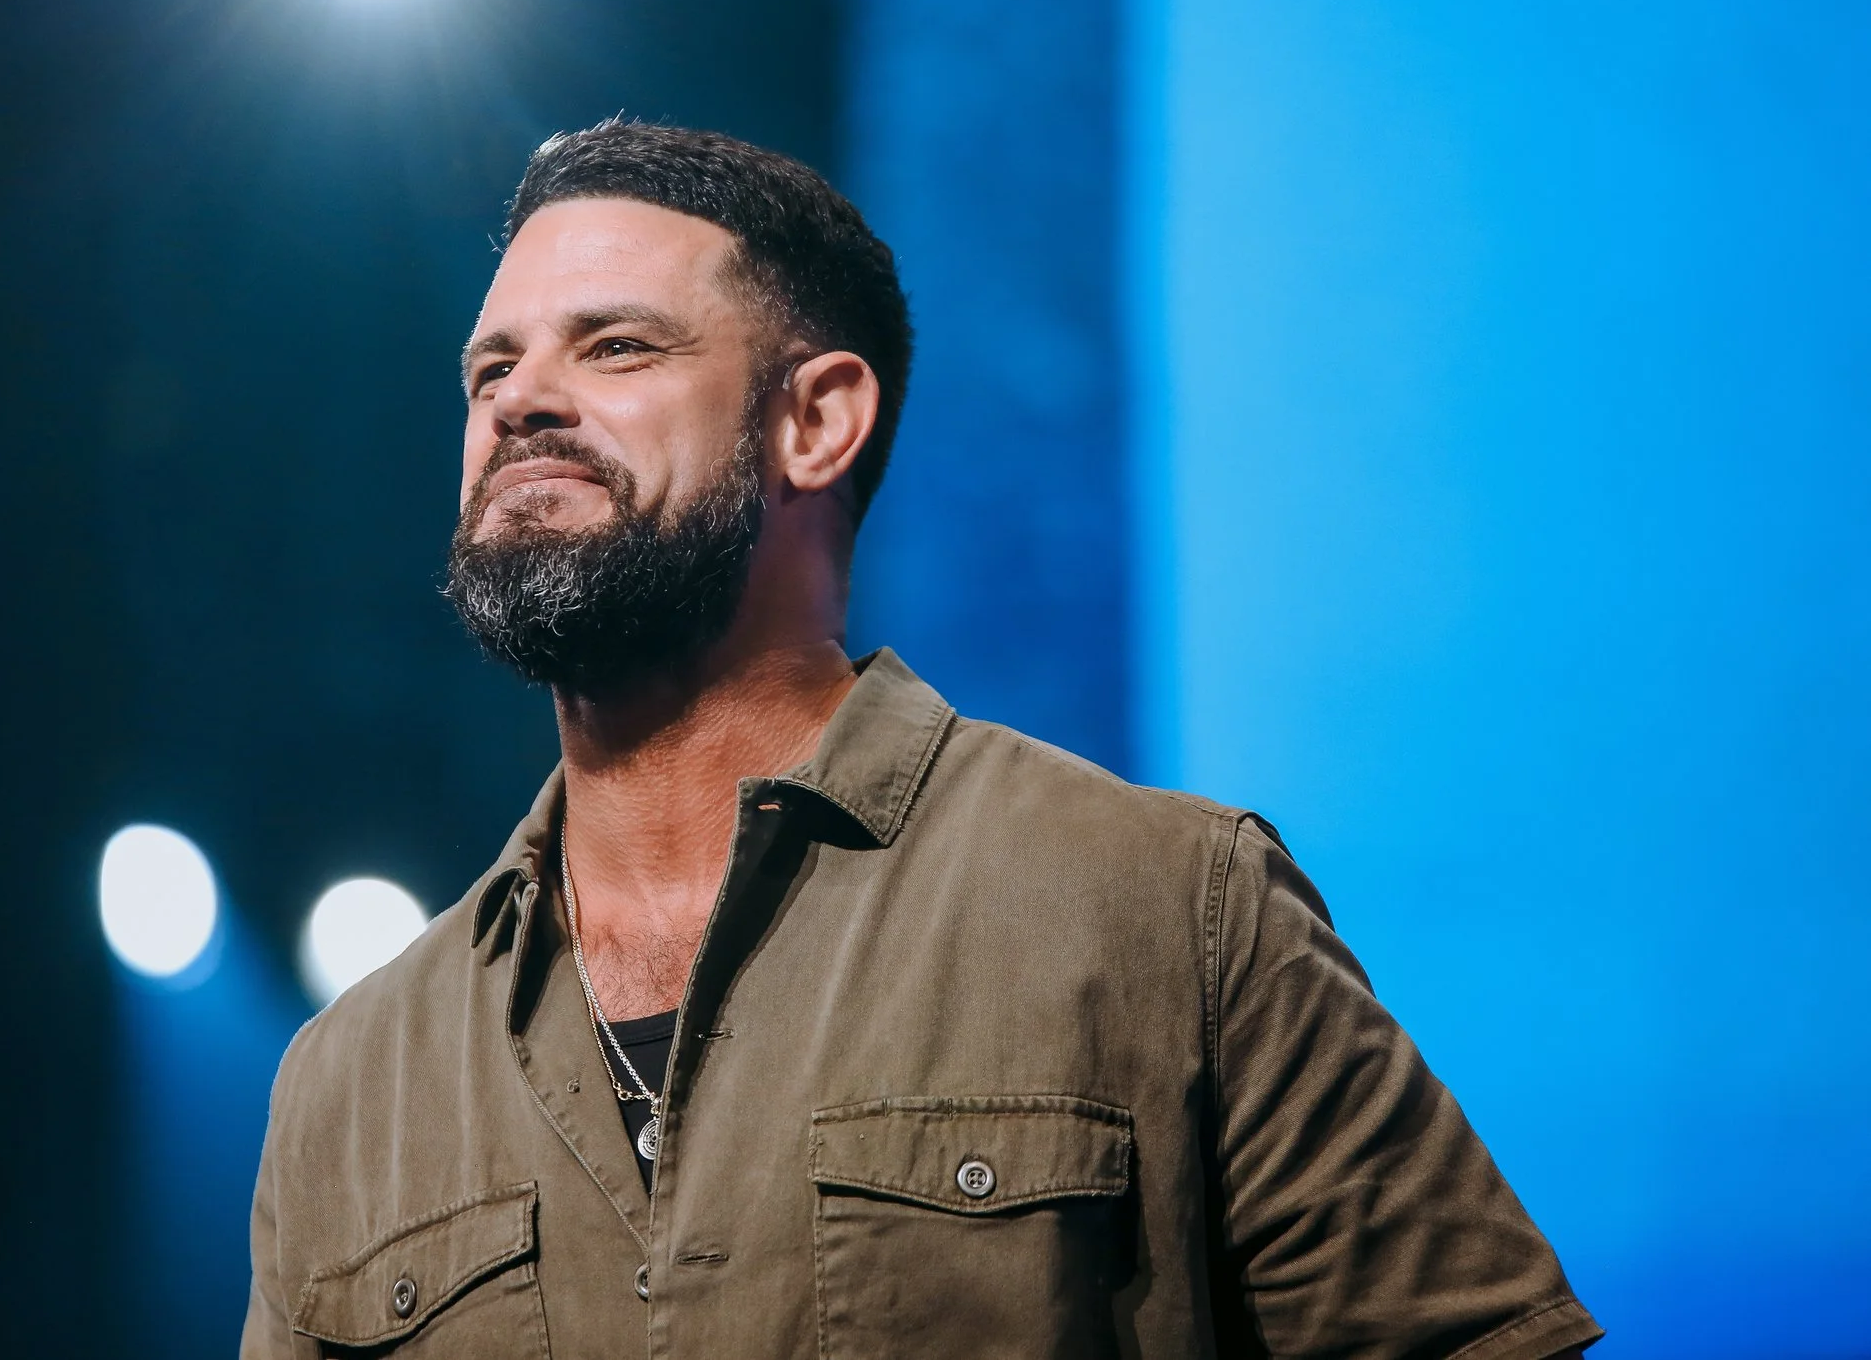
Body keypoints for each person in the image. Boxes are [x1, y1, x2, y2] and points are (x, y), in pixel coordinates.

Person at [240, 121, 1599, 1359]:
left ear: (816, 419)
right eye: (492, 366)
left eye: (616, 347)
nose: (519, 399)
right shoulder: (349, 1079)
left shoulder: (1171, 910)